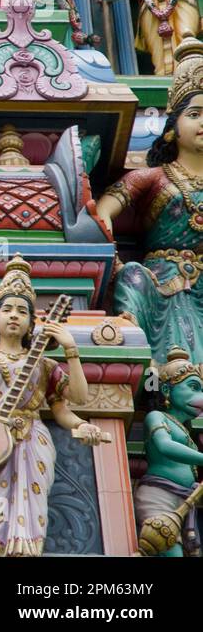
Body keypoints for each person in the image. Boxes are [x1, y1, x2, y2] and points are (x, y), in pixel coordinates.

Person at [0, 255, 109, 556]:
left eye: (22, 311)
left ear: (33, 323)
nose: (14, 315)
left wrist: (71, 350)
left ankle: (27, 551)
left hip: (34, 436)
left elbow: (73, 403)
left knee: (33, 498)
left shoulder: (44, 365)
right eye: (6, 309)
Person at [97, 37, 203, 363]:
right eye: (196, 114)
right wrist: (114, 263)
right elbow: (102, 211)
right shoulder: (153, 177)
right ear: (172, 128)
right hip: (163, 285)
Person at [135, 348, 203, 556]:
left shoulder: (186, 432)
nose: (200, 397)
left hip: (184, 501)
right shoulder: (157, 417)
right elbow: (164, 445)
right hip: (159, 496)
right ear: (166, 390)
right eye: (193, 387)